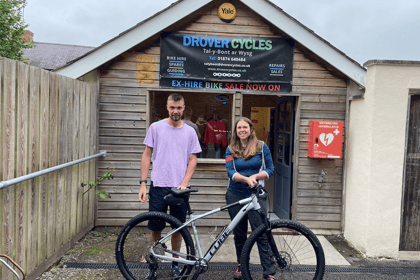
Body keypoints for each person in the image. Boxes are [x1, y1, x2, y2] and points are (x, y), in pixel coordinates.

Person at [139, 93, 202, 279]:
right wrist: (143, 184)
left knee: (178, 228)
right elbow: (146, 155)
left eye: (179, 108)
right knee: (155, 228)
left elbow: (193, 159)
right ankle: (154, 263)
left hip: (180, 189)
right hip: (158, 185)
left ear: (184, 108)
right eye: (172, 107)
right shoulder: (156, 127)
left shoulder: (190, 131)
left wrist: (184, 184)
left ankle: (176, 263)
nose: (176, 111)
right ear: (167, 107)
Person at [225, 117, 276, 280]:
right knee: (239, 233)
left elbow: (270, 169)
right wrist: (246, 179)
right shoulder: (230, 148)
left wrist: (255, 176)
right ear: (236, 131)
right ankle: (241, 266)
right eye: (239, 128)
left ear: (251, 129)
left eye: (244, 127)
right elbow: (230, 172)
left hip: (256, 195)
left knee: (260, 232)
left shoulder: (261, 146)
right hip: (235, 194)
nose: (242, 130)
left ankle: (268, 271)